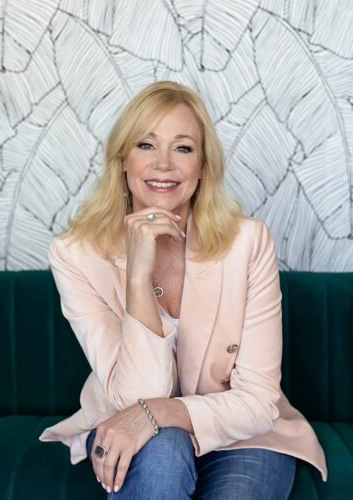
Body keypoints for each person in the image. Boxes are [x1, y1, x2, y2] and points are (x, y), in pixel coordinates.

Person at [39, 81, 327, 498]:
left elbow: (259, 400)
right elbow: (135, 396)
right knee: (162, 451)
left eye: (183, 148)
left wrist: (158, 413)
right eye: (146, 145)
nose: (164, 165)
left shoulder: (247, 243)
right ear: (122, 159)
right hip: (127, 424)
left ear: (203, 166)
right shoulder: (75, 254)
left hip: (241, 433)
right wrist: (139, 273)